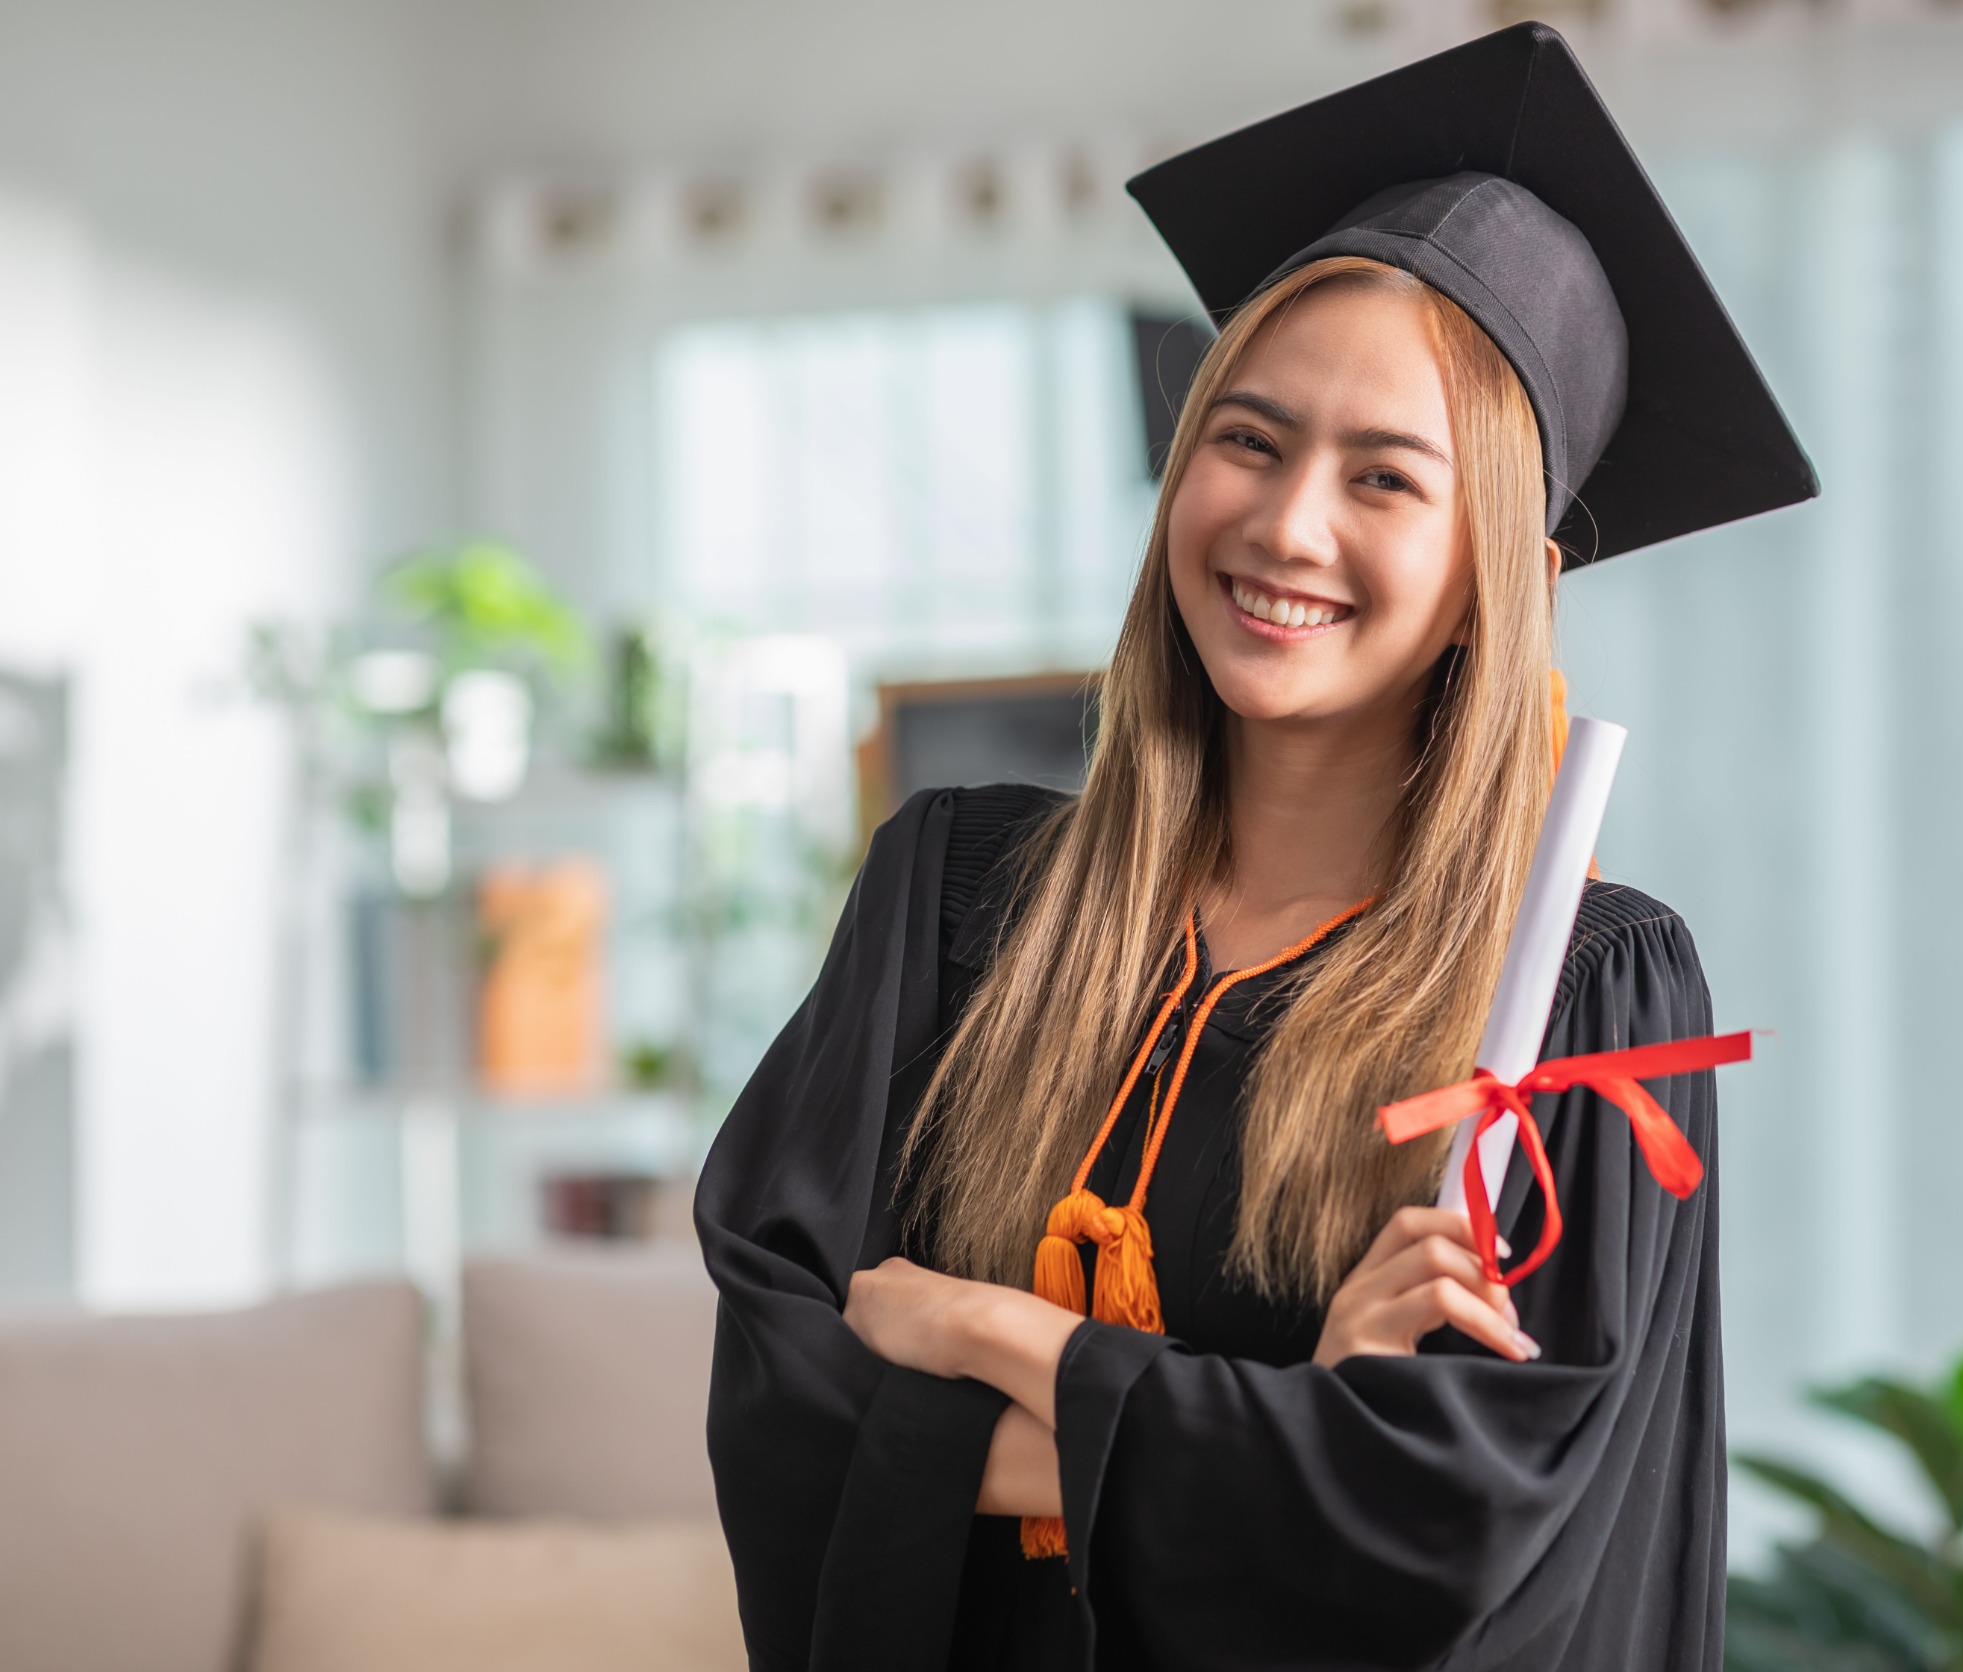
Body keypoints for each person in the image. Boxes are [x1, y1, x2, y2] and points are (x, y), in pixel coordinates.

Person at [696, 23, 1814, 1672]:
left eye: (1385, 479)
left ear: (1493, 579)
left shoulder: (1572, 996)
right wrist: (1272, 1431)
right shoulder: (957, 903)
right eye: (1250, 437)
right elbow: (780, 1414)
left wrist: (985, 1332)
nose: (1288, 525)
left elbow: (1448, 1537)